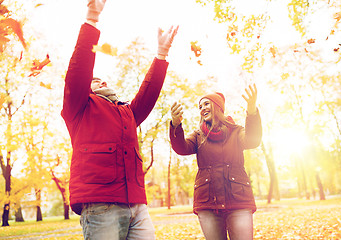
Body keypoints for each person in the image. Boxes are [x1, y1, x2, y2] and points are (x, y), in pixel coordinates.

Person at [61, 0, 178, 239]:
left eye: (104, 79)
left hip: (136, 204)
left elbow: (147, 95)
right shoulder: (79, 107)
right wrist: (92, 18)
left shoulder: (126, 112)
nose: (101, 80)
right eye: (95, 80)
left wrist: (161, 56)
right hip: (101, 204)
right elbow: (79, 69)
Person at [169, 84, 262, 240]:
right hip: (208, 204)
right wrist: (175, 125)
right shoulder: (198, 136)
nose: (202, 108)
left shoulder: (236, 131)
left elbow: (252, 140)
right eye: (200, 106)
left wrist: (252, 112)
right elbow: (181, 148)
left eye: (206, 103)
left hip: (238, 200)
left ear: (217, 106)